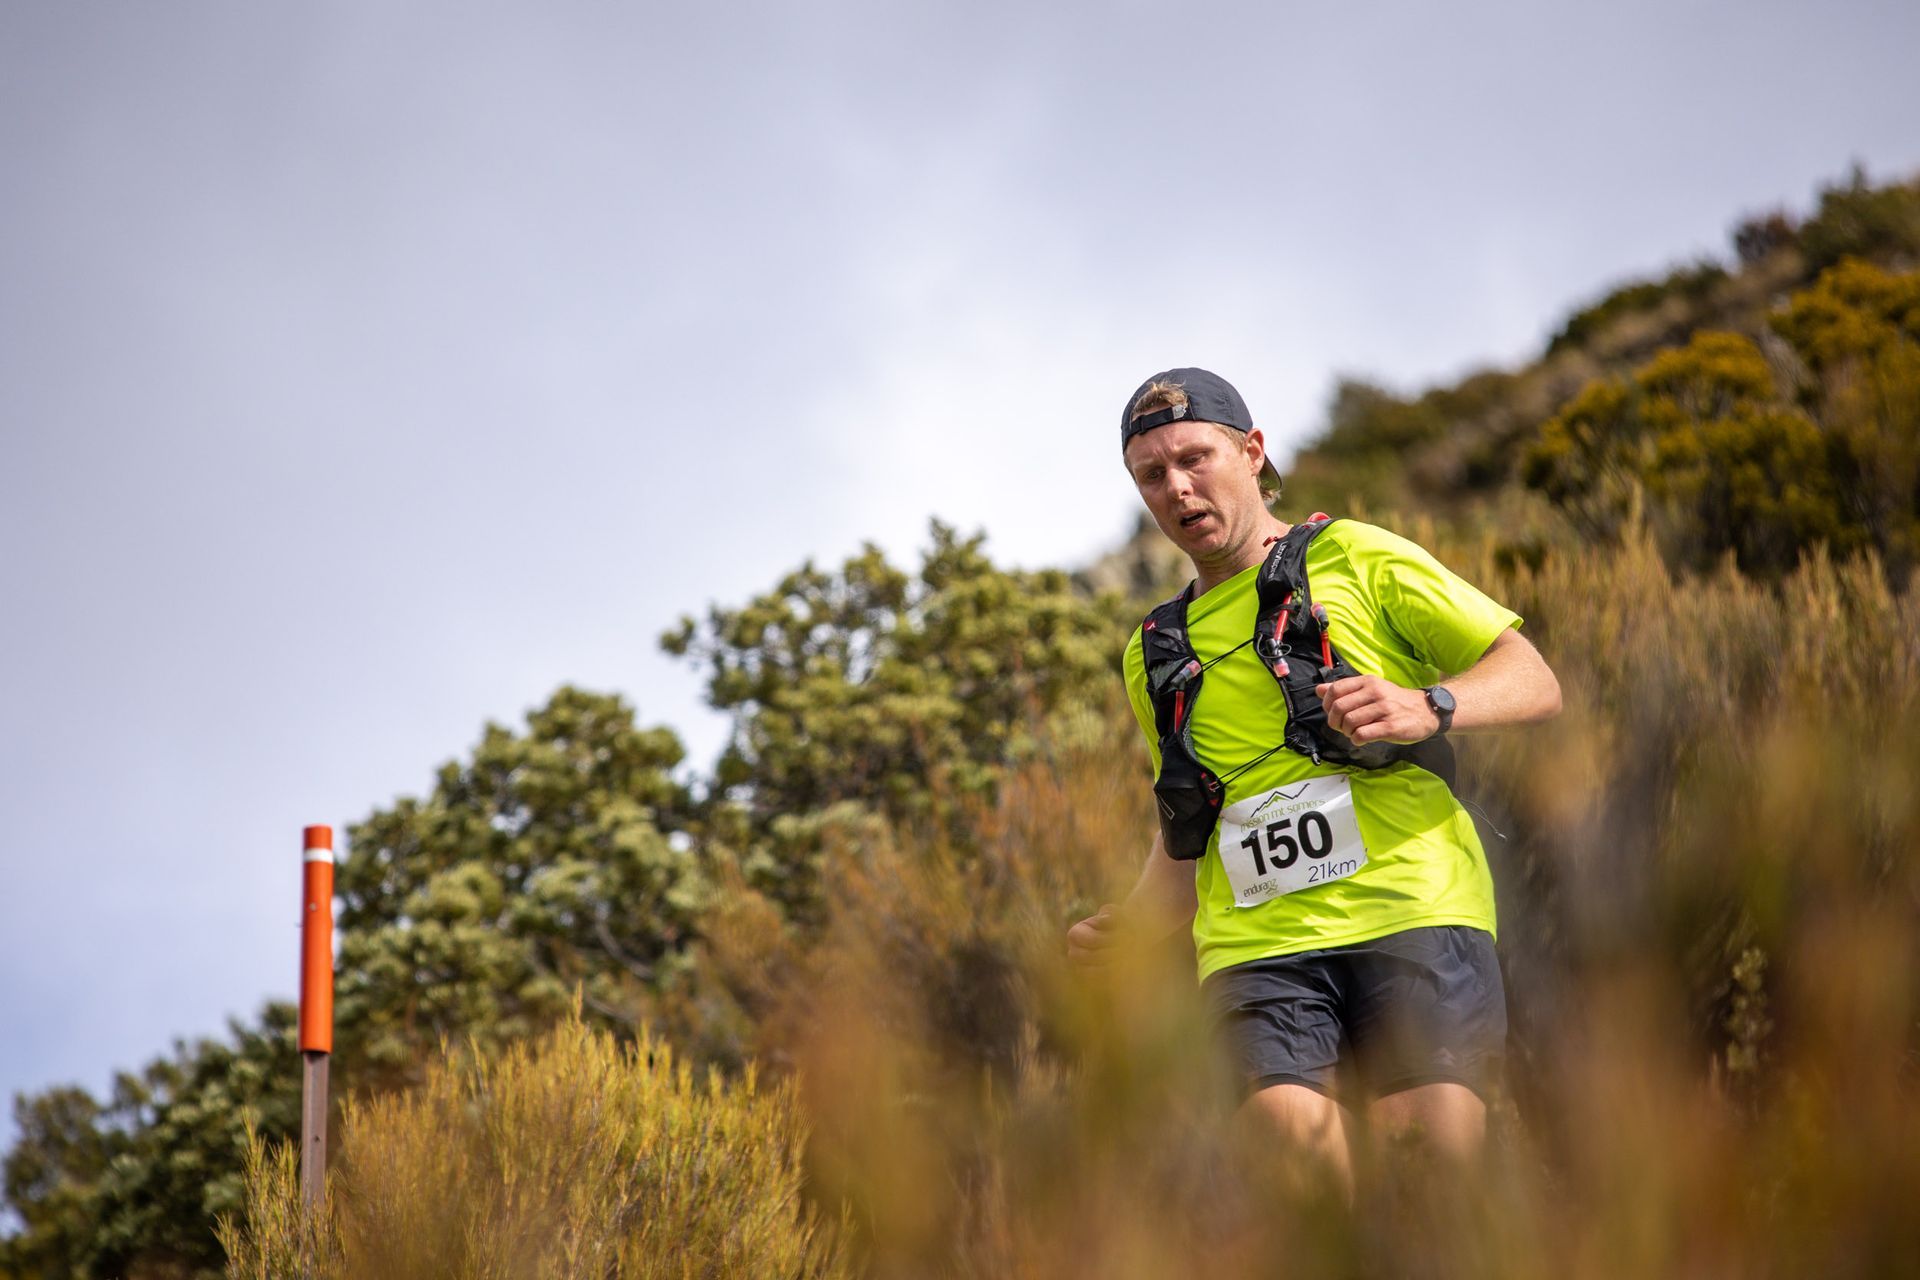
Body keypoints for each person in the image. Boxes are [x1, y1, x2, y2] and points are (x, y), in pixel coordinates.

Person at [1067, 367, 1561, 1197]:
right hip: (1257, 951)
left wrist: (1428, 705)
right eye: (1152, 474)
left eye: (1195, 457)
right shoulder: (1151, 651)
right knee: (1304, 1199)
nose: (1178, 486)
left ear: (1253, 452)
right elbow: (1193, 816)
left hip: (1413, 911)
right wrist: (1134, 926)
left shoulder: (1357, 556)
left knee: (1427, 1194)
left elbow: (1533, 678)